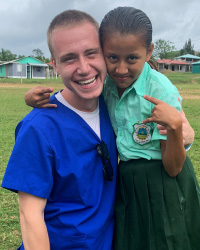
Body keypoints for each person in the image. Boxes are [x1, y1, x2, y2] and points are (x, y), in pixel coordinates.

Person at [24, 7, 197, 250]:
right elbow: (77, 78)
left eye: (132, 59)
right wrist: (33, 98)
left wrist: (178, 128)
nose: (121, 69)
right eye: (113, 57)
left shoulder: (160, 92)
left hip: (161, 182)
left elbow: (173, 166)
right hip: (126, 183)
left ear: (149, 52)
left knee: (165, 240)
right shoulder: (106, 85)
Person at [1, 10, 118, 250]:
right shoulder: (39, 129)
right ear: (54, 64)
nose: (84, 68)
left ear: (105, 53)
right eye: (69, 58)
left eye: (91, 53)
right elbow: (30, 216)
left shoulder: (115, 107)